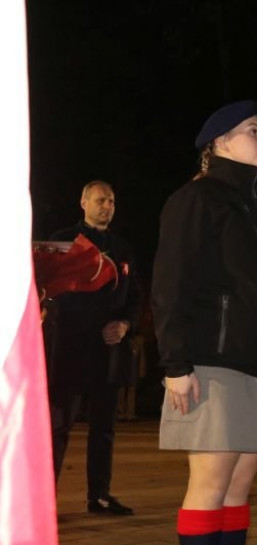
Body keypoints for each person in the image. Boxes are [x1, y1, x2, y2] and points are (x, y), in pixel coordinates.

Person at [152, 100, 257, 545]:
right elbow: (171, 283)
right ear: (220, 144)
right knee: (208, 488)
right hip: (210, 362)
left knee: (238, 488)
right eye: (254, 131)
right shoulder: (197, 199)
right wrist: (175, 365)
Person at [45, 180, 141, 516]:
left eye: (112, 201)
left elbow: (134, 298)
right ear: (83, 201)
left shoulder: (123, 248)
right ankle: (43, 501)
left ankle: (99, 496)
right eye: (100, 200)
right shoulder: (62, 241)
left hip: (108, 350)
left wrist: (125, 324)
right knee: (59, 427)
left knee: (104, 428)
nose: (107, 206)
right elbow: (48, 291)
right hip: (69, 348)